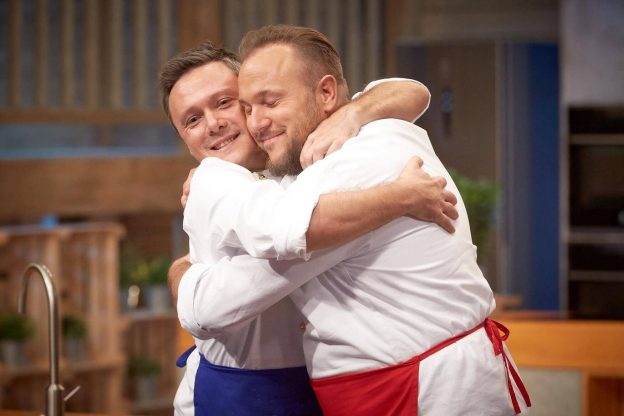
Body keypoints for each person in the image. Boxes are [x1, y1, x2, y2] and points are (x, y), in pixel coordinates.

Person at [172, 25, 531, 415]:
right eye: (192, 120)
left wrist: (359, 114)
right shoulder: (228, 179)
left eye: (230, 103)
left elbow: (267, 248)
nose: (250, 121)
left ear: (325, 94)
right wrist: (401, 196)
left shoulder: (346, 156)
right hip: (244, 387)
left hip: (425, 386)